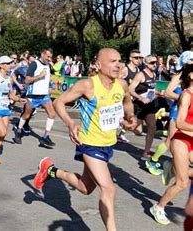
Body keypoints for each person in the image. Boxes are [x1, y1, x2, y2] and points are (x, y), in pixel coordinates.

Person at [34, 48, 136, 231]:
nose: (118, 65)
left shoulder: (121, 84)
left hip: (107, 145)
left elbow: (127, 102)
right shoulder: (87, 85)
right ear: (98, 65)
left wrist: (131, 118)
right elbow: (59, 102)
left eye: (119, 60)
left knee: (85, 187)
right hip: (89, 144)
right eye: (112, 61)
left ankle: (50, 171)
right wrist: (70, 124)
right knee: (108, 189)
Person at [150, 63, 193, 225]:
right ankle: (158, 207)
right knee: (182, 183)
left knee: (183, 174)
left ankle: (172, 167)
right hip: (182, 140)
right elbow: (180, 123)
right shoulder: (187, 95)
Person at [14, 49, 56, 147]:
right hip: (33, 96)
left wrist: (49, 87)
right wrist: (39, 76)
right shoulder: (34, 64)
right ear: (42, 54)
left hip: (44, 96)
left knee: (52, 114)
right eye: (48, 57)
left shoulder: (48, 65)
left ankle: (45, 137)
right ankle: (18, 130)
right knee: (26, 115)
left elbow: (47, 78)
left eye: (50, 57)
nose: (49, 59)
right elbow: (27, 80)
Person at [129, 55, 167, 160]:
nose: (154, 64)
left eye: (155, 62)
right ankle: (125, 125)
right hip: (139, 105)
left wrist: (159, 93)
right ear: (146, 63)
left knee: (152, 127)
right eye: (152, 62)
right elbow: (130, 89)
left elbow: (151, 90)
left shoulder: (154, 74)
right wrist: (140, 98)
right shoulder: (140, 75)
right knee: (138, 131)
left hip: (150, 105)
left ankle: (146, 152)